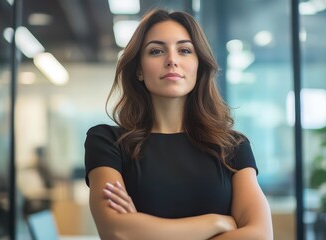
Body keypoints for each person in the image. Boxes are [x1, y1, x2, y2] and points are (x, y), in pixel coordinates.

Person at [84, 8, 273, 240]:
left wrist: (146, 231)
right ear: (140, 70)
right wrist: (216, 222)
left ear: (198, 65)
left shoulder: (233, 146)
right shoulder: (107, 142)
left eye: (184, 50)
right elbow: (117, 231)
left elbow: (260, 235)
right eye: (156, 51)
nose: (172, 60)